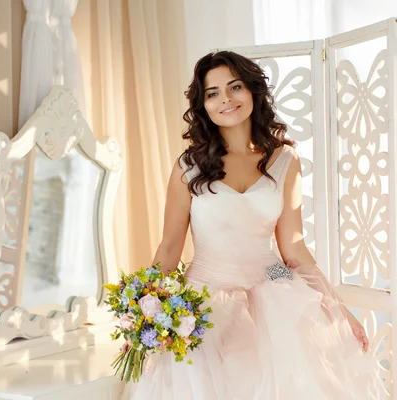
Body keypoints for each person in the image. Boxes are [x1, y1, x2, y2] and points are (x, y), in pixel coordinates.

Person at [122, 51, 384, 399]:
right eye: (213, 92)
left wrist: (337, 309)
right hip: (204, 297)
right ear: (203, 104)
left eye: (235, 87)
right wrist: (143, 318)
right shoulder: (189, 166)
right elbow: (169, 248)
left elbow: (292, 248)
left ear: (253, 92)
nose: (225, 99)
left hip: (273, 284)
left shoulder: (284, 159)